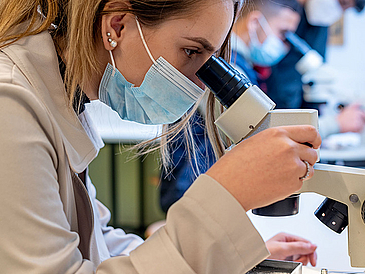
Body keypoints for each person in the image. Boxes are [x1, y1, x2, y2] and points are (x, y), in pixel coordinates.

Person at [0, 0, 321, 272]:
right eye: (191, 51)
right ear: (118, 25)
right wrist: (222, 198)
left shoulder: (61, 90)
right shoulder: (9, 103)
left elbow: (97, 245)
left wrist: (227, 256)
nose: (199, 85)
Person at [159, 0, 317, 266]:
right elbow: (258, 131)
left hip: (204, 197)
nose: (286, 45)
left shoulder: (240, 64)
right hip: (194, 192)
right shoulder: (226, 67)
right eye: (283, 34)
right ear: (256, 22)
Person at [265, 0, 365, 138]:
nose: (339, 11)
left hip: (295, 109)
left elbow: (316, 74)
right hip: (272, 107)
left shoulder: (320, 24)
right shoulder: (280, 12)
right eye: (342, 3)